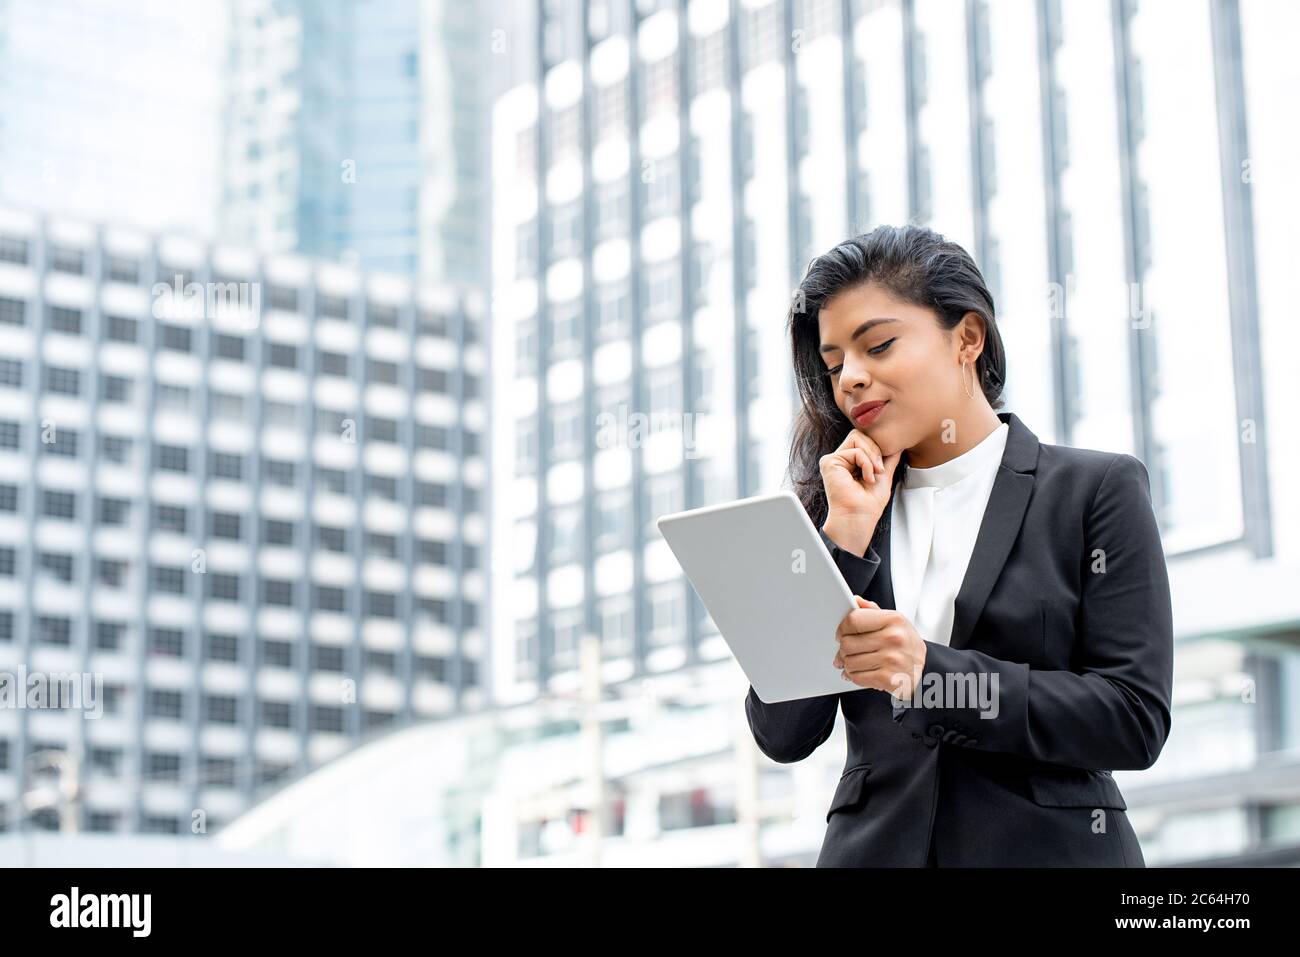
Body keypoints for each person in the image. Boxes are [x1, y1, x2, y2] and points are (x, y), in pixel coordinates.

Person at [746, 224, 1173, 866]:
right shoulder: (838, 516)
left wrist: (933, 677)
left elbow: (1132, 719)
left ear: (967, 338)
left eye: (879, 345)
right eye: (834, 365)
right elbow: (782, 733)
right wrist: (843, 541)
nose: (851, 380)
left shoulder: (1094, 490)